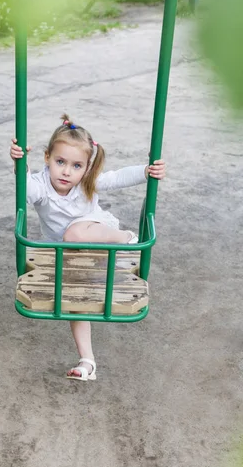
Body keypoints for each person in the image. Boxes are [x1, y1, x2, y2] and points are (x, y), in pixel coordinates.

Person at [10, 113, 166, 381]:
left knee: (74, 232)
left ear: (86, 167)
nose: (67, 171)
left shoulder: (86, 182)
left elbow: (117, 178)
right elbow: (26, 190)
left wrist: (146, 171)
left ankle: (125, 238)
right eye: (60, 162)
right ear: (47, 157)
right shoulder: (40, 185)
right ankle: (87, 362)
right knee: (75, 301)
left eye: (76, 165)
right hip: (69, 254)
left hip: (94, 234)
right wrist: (19, 165)